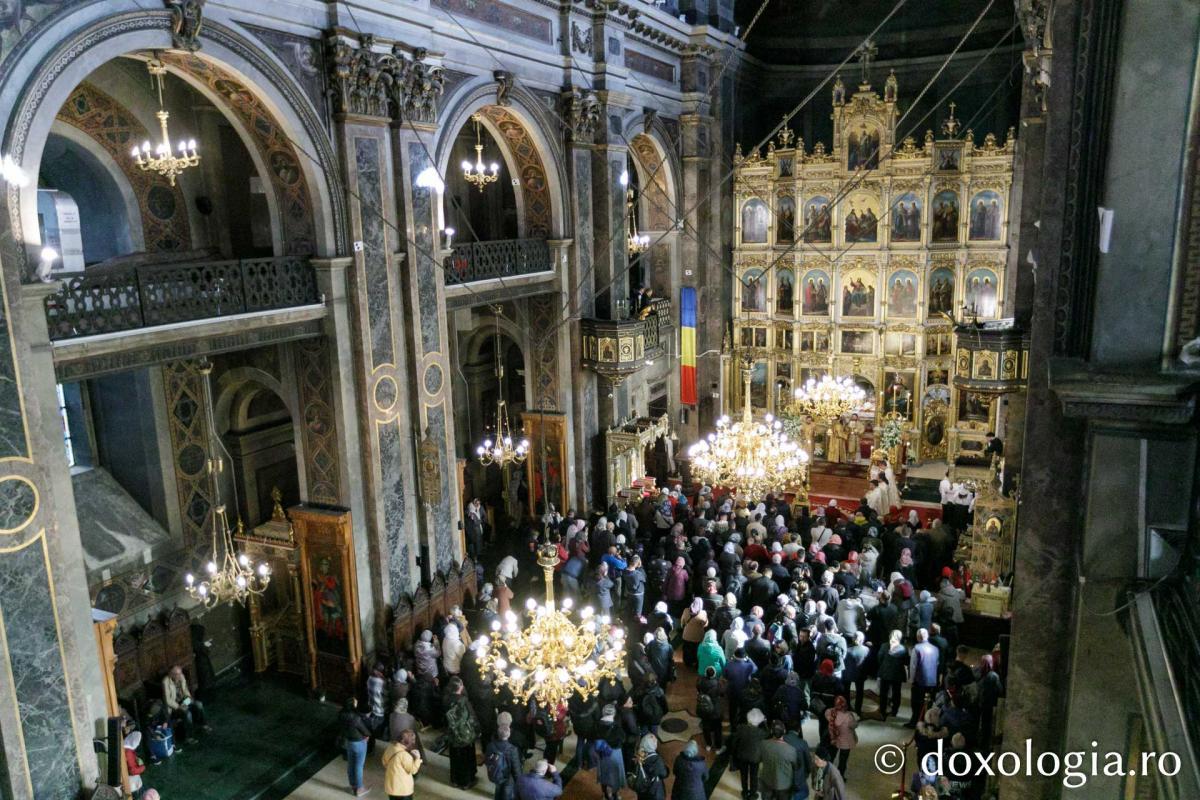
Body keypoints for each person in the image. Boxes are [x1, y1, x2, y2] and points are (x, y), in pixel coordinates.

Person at [445, 676, 481, 788]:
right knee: (466, 758)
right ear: (460, 687)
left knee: (455, 757)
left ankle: (455, 780)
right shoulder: (463, 701)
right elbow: (472, 717)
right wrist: (477, 730)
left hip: (452, 733)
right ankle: (466, 782)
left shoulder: (446, 699)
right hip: (465, 735)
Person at [162, 665, 208, 742]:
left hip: (183, 701)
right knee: (187, 714)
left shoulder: (181, 677)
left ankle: (203, 725)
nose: (179, 676)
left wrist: (188, 699)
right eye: (177, 674)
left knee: (198, 704)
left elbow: (185, 690)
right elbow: (168, 700)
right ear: (171, 674)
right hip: (174, 707)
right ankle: (189, 737)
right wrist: (179, 707)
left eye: (180, 673)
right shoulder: (165, 682)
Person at [339, 697, 373, 796]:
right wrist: (367, 736)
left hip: (349, 741)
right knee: (358, 766)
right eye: (355, 702)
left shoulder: (341, 714)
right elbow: (365, 730)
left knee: (351, 763)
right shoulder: (355, 717)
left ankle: (353, 785)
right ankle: (359, 788)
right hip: (359, 742)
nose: (357, 702)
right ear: (352, 705)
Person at [731, 707, 767, 800]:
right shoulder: (762, 733)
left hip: (742, 756)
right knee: (754, 775)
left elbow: (734, 742)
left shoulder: (740, 728)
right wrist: (765, 723)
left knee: (743, 775)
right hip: (755, 757)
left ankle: (745, 792)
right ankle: (753, 794)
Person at [908, 628, 940, 728]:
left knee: (916, 703)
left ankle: (914, 722)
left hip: (920, 680)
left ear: (918, 637)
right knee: (928, 703)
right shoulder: (935, 649)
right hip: (932, 681)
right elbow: (937, 664)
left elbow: (913, 666)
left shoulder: (917, 648)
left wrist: (911, 680)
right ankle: (925, 721)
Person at [759, 721, 799, 800]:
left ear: (771, 731)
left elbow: (760, 758)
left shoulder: (763, 744)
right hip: (784, 784)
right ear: (784, 731)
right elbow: (795, 766)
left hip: (767, 780)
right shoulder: (791, 750)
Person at [383, 729, 423, 800]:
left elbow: (384, 762)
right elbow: (412, 770)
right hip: (403, 790)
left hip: (391, 787)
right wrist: (417, 759)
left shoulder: (391, 747)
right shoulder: (404, 755)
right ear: (409, 742)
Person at [485, 724, 522, 800]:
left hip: (496, 774)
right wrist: (519, 782)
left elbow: (487, 761)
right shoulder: (512, 749)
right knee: (506, 793)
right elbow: (516, 768)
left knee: (498, 789)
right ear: (509, 734)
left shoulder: (490, 745)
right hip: (507, 777)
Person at [877, 629, 908, 720]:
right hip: (897, 673)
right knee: (896, 693)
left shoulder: (884, 646)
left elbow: (879, 658)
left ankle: (882, 711)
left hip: (885, 672)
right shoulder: (903, 648)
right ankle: (894, 711)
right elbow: (906, 661)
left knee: (883, 693)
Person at [824, 696, 858, 778]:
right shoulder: (849, 717)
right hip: (846, 742)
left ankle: (828, 772)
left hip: (834, 739)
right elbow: (854, 725)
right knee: (843, 761)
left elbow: (828, 716)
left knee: (831, 756)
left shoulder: (829, 712)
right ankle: (840, 776)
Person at [696, 665, 726, 749]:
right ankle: (718, 747)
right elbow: (723, 694)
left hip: (704, 709)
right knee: (717, 729)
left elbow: (698, 690)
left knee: (706, 727)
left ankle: (708, 745)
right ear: (714, 674)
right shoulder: (718, 683)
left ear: (706, 673)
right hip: (716, 710)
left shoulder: (700, 681)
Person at [632, 733, 669, 800]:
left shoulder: (638, 757)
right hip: (655, 793)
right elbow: (664, 774)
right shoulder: (657, 760)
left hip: (643, 793)